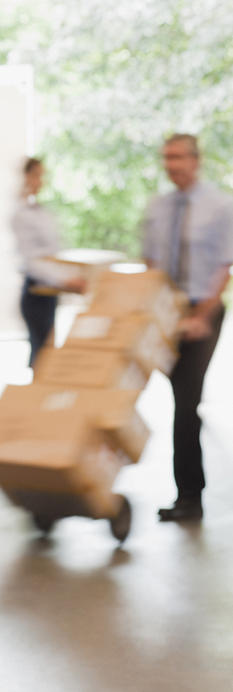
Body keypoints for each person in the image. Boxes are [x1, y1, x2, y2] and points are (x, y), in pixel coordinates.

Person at [142, 133, 233, 522]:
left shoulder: (219, 206)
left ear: (196, 160)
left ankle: (190, 497)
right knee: (171, 396)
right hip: (167, 311)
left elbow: (223, 267)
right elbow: (149, 262)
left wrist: (201, 316)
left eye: (178, 157)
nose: (171, 164)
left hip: (202, 312)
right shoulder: (158, 207)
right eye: (166, 158)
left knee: (185, 402)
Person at [11, 157, 86, 367]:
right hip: (36, 293)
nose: (40, 181)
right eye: (37, 175)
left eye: (43, 176)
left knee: (47, 352)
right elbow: (32, 260)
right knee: (42, 355)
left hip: (50, 294)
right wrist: (64, 280)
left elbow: (54, 252)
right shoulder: (21, 214)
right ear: (27, 176)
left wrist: (70, 277)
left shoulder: (42, 211)